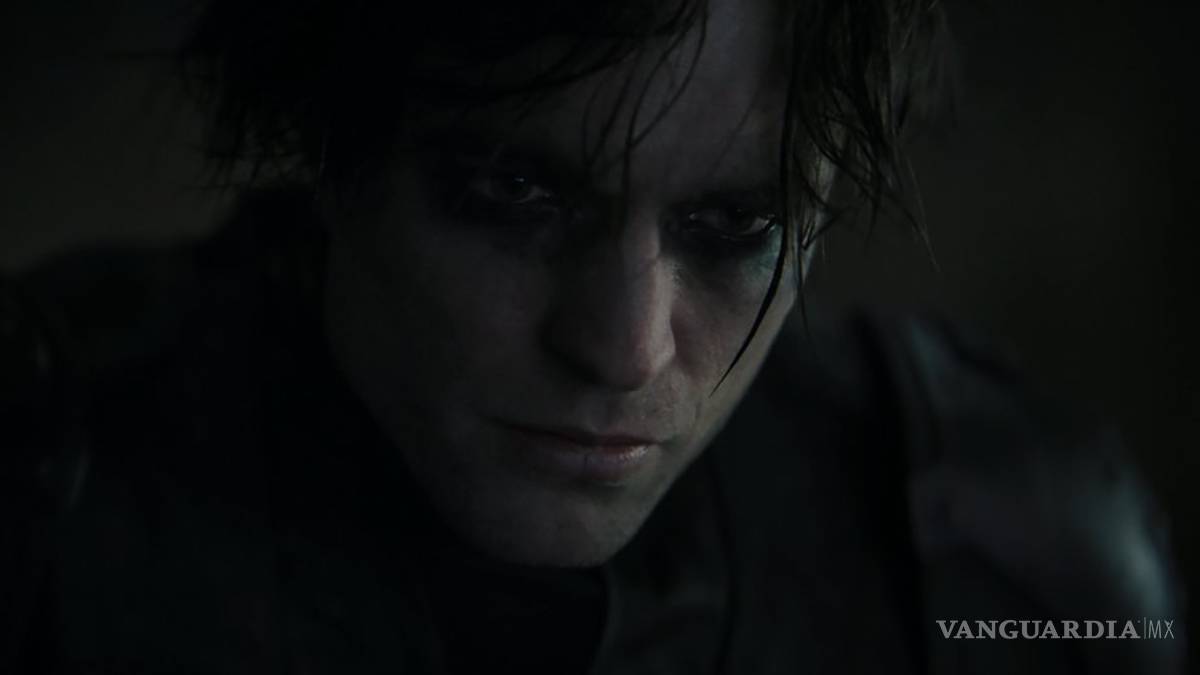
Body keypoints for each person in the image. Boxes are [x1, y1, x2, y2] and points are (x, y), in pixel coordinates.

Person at [0, 0, 1185, 672]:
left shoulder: (989, 550)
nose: (624, 350)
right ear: (333, 146)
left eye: (735, 227)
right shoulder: (45, 483)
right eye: (513, 195)